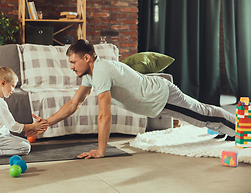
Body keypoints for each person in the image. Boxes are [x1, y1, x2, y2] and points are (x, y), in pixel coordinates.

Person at [26, 39, 236, 159]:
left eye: (73, 62)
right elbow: (73, 104)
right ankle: (227, 131)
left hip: (162, 96)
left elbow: (104, 115)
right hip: (156, 101)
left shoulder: (101, 72)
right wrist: (45, 124)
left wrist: (101, 151)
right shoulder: (91, 74)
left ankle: (241, 129)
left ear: (87, 58)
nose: (71, 67)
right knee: (201, 114)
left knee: (202, 116)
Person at [0, 67, 48, 156]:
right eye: (12, 86)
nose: (13, 90)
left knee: (26, 142)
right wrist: (33, 126)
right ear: (3, 83)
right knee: (26, 148)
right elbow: (12, 126)